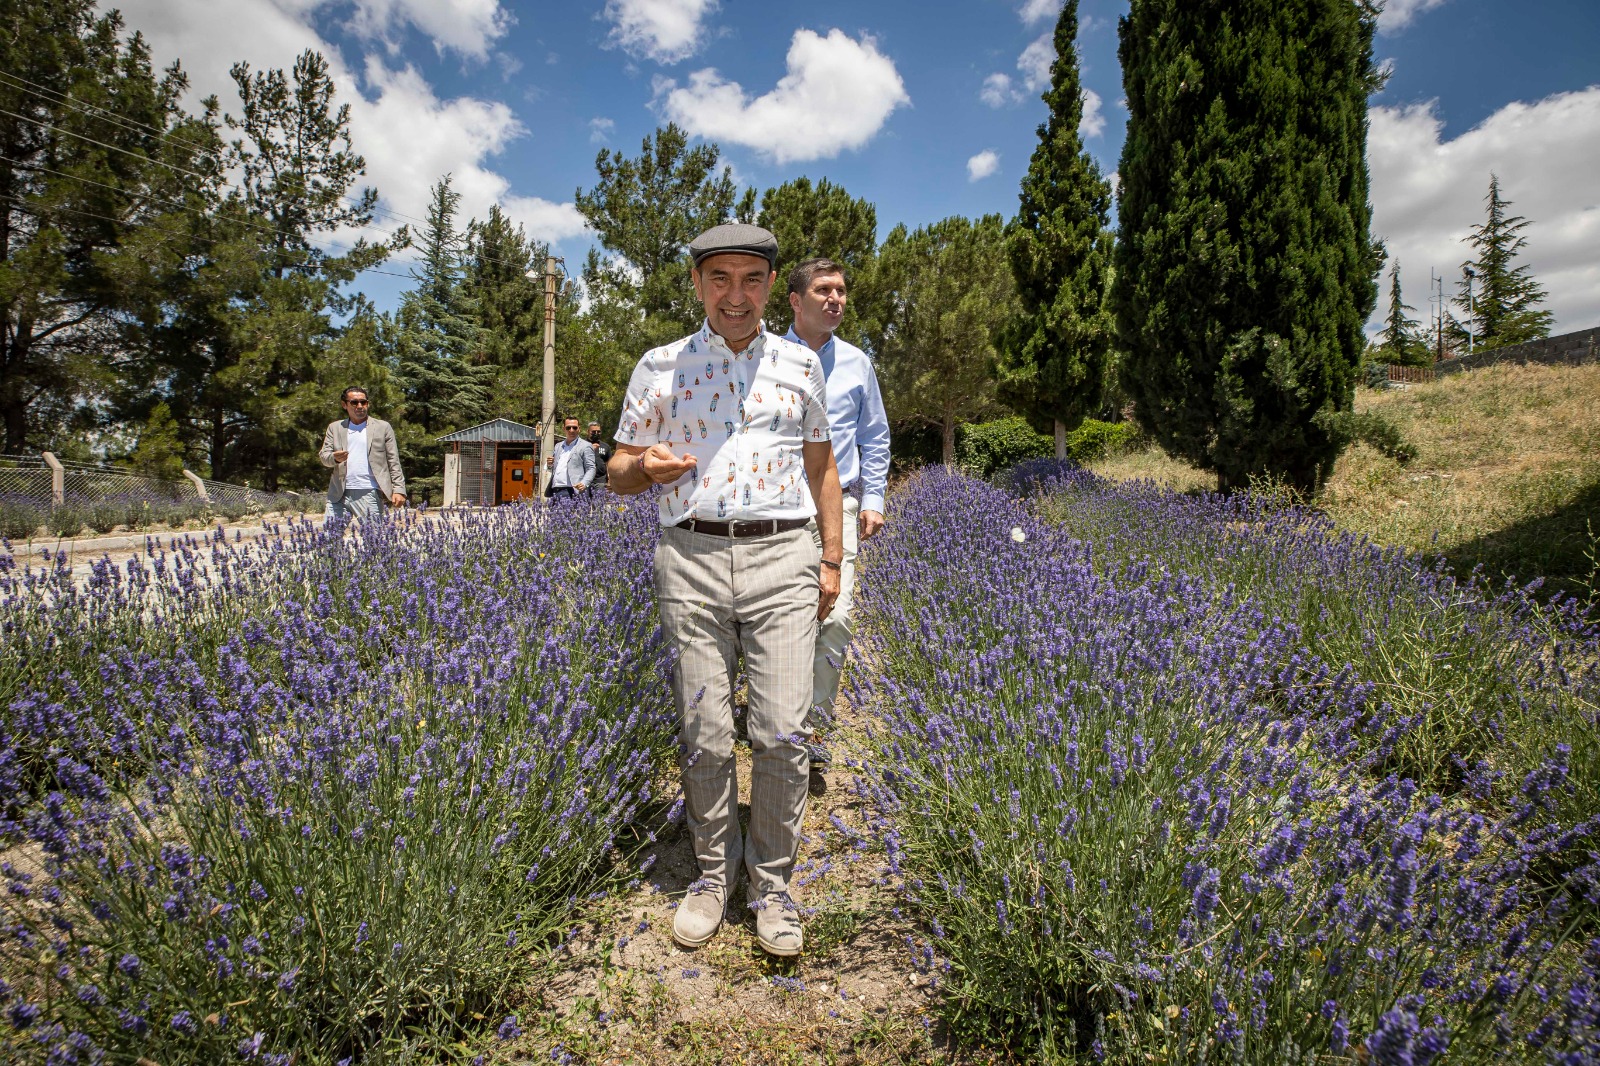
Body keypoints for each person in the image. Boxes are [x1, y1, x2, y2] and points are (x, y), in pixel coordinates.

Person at [608, 223, 843, 958]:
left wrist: (831, 560)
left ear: (773, 286)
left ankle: (771, 885)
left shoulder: (801, 365)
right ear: (697, 283)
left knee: (781, 732)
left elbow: (822, 468)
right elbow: (617, 470)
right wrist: (643, 467)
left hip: (783, 557)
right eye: (720, 278)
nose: (734, 295)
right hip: (691, 557)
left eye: (751, 279)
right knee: (704, 731)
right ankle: (714, 876)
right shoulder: (659, 366)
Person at [783, 259, 891, 768]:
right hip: (779, 508)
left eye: (841, 291)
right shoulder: (768, 356)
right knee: (781, 620)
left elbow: (875, 435)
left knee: (837, 616)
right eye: (824, 290)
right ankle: (777, 721)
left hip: (840, 505)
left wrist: (873, 499)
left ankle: (814, 733)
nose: (836, 299)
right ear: (795, 300)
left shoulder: (857, 362)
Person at [319, 386, 406, 521]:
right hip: (338, 493)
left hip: (369, 492)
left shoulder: (383, 427)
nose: (360, 406)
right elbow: (324, 457)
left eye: (363, 402)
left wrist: (399, 489)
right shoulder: (335, 428)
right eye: (354, 402)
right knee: (329, 534)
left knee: (373, 534)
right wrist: (334, 458)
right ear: (344, 405)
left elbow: (393, 460)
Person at [545, 416, 596, 499]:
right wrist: (549, 464)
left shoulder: (585, 446)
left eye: (574, 428)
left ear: (579, 429)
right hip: (556, 490)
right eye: (568, 428)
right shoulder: (558, 446)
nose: (571, 430)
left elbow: (591, 468)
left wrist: (584, 483)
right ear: (564, 429)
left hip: (573, 490)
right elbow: (552, 468)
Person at [587, 421, 612, 490]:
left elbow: (609, 464)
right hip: (585, 480)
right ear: (588, 432)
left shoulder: (606, 446)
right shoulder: (582, 445)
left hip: (600, 481)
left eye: (598, 432)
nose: (596, 433)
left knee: (600, 497)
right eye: (593, 432)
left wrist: (610, 478)